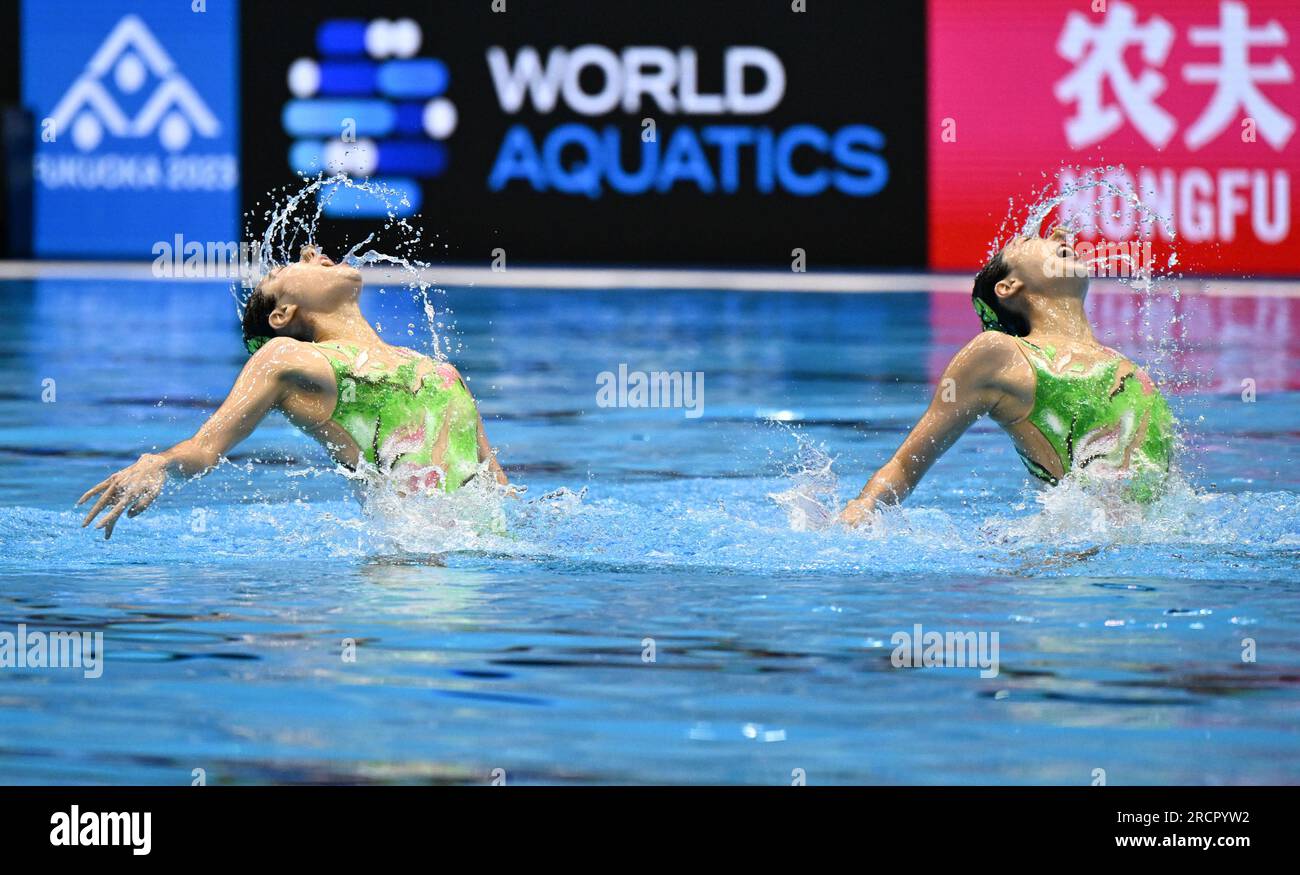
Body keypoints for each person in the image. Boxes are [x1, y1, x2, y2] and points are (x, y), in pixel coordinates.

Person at [79, 245, 508, 539]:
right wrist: (160, 462)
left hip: (482, 572)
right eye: (279, 270)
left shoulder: (439, 370)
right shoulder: (286, 358)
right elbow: (206, 449)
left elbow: (497, 490)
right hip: (404, 576)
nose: (309, 252)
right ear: (282, 314)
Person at [839, 227, 1174, 527]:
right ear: (1008, 286)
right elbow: (905, 463)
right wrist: (864, 505)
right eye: (1029, 240)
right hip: (1073, 567)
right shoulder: (1000, 355)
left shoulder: (1127, 368)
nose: (1059, 234)